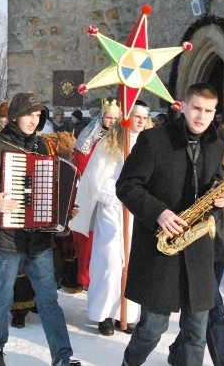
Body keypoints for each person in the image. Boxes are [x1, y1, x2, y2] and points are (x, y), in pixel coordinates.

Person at [0, 92, 81, 366]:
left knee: (49, 299)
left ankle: (62, 357)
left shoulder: (44, 147)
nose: (33, 121)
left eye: (37, 116)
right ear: (14, 117)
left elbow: (48, 189)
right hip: (7, 236)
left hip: (39, 239)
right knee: (3, 296)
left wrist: (65, 207)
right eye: (28, 115)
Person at [116, 83, 224, 366]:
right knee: (153, 328)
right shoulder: (154, 140)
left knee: (195, 332)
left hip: (198, 248)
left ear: (215, 112)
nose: (201, 117)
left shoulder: (217, 145)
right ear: (183, 106)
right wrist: (159, 213)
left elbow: (214, 181)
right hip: (159, 244)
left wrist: (220, 195)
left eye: (208, 111)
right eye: (196, 108)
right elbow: (127, 186)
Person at [168, 122, 224, 366]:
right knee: (214, 309)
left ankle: (177, 352)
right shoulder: (204, 166)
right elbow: (189, 208)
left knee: (199, 307)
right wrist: (219, 208)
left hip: (223, 246)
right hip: (200, 246)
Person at [69, 102, 151, 336]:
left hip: (137, 213)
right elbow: (98, 178)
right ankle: (103, 313)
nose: (140, 122)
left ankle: (125, 314)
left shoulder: (149, 144)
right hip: (112, 210)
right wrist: (119, 197)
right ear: (127, 117)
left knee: (132, 264)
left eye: (144, 119)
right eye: (136, 117)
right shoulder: (110, 143)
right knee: (110, 264)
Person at [70, 98, 121, 291]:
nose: (111, 121)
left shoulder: (121, 137)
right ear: (102, 116)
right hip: (90, 191)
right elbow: (82, 164)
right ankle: (85, 276)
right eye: (108, 117)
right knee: (87, 237)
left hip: (114, 194)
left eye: (115, 118)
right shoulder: (89, 135)